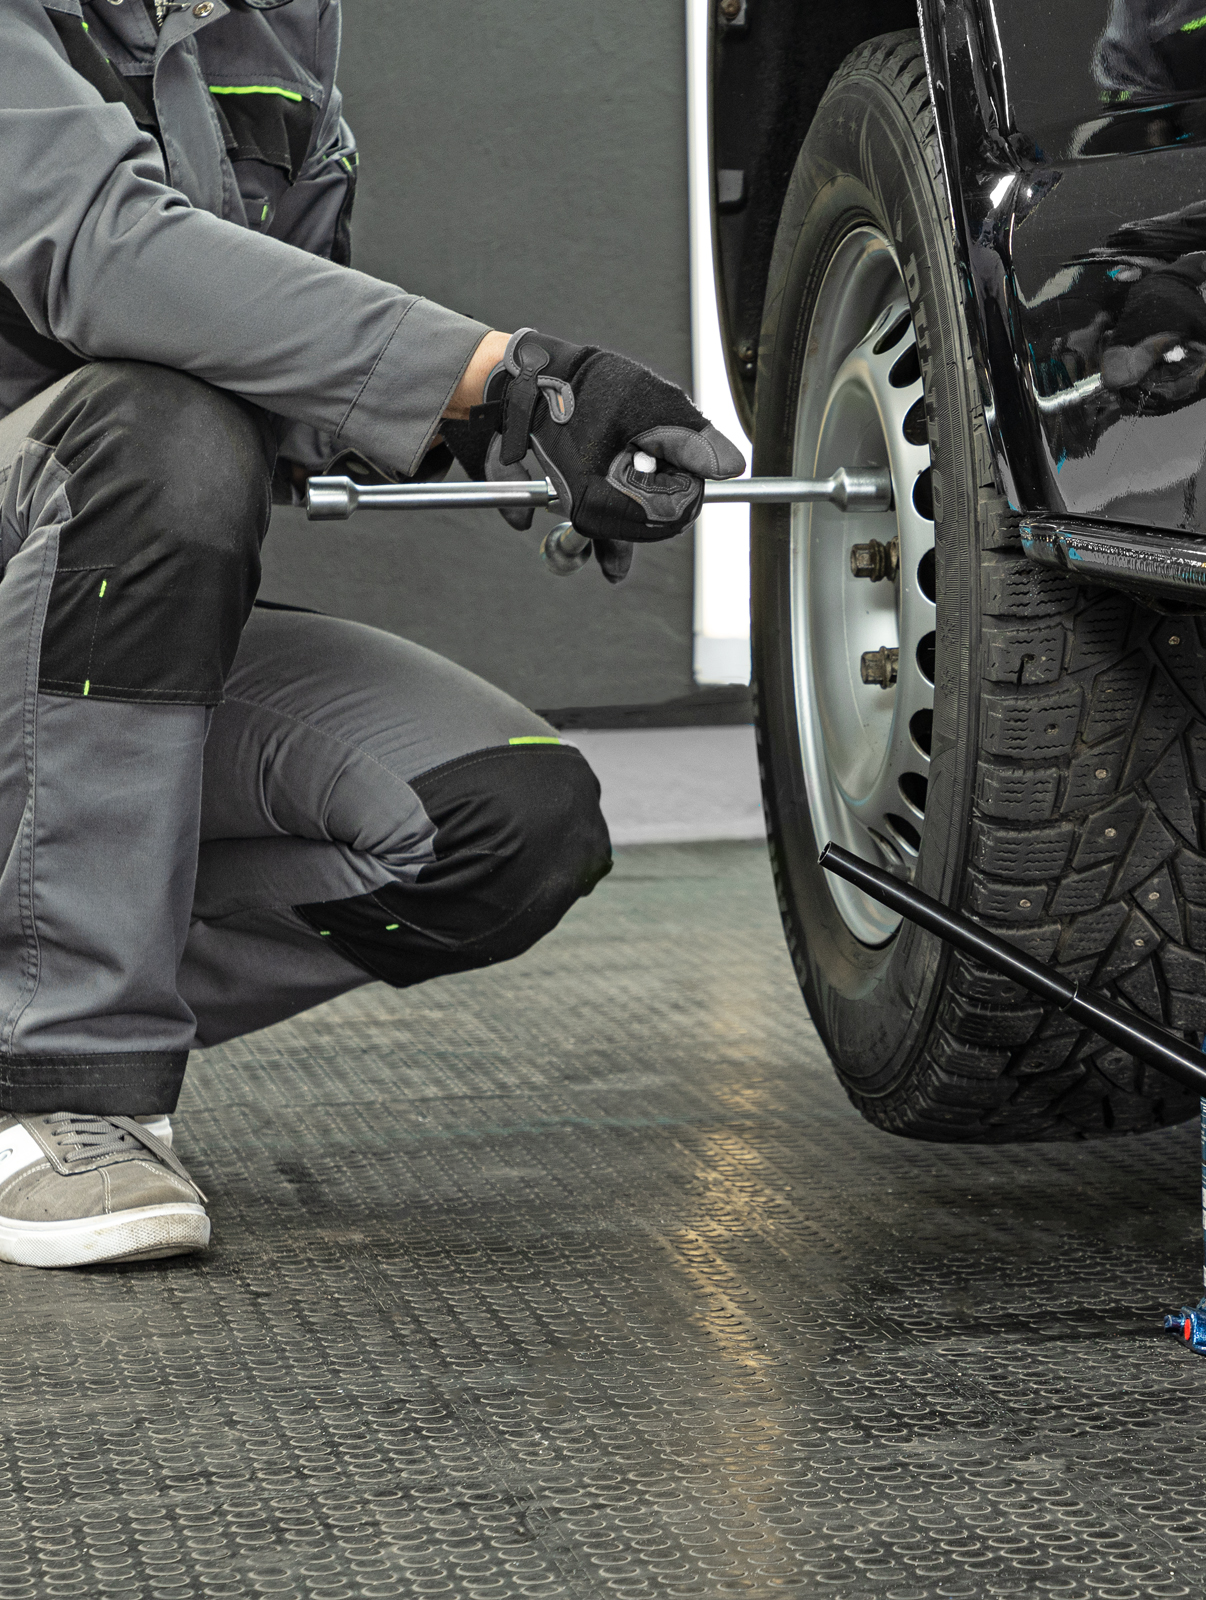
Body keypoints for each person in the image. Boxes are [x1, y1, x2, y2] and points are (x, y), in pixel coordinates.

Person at [0, 0, 743, 1268]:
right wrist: (499, 371)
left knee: (503, 824)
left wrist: (500, 430)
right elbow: (100, 251)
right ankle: (68, 1087)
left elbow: (266, 348)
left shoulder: (274, 27)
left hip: (77, 642)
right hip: (58, 531)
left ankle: (25, 1002)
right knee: (161, 441)